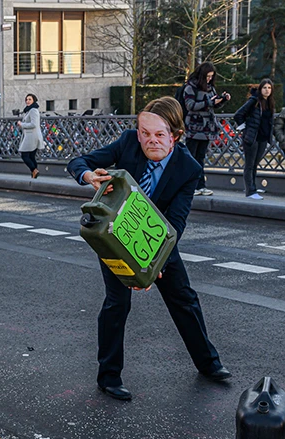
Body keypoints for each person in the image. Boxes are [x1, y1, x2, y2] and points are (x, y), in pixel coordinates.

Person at [66, 97, 231, 401]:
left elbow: (176, 223)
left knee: (184, 299)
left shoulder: (188, 169)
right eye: (145, 133)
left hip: (159, 242)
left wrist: (150, 266)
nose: (150, 141)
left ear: (175, 135)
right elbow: (78, 162)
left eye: (158, 135)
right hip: (115, 238)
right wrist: (89, 176)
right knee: (117, 304)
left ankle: (209, 364)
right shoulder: (128, 142)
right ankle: (109, 377)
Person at [183, 61, 230, 196]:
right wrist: (209, 102)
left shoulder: (210, 88)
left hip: (206, 128)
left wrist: (222, 100)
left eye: (211, 76)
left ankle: (200, 185)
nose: (209, 79)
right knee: (192, 157)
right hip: (194, 127)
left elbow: (212, 106)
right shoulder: (190, 87)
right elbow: (190, 105)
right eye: (207, 76)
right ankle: (192, 185)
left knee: (200, 157)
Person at [233, 78, 275, 200]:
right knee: (250, 164)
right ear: (260, 89)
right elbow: (238, 114)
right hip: (252, 138)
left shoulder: (269, 103)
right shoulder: (254, 100)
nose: (267, 90)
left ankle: (252, 186)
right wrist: (244, 128)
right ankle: (250, 191)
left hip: (262, 137)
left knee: (255, 164)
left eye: (269, 88)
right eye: (264, 88)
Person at [18, 93, 45, 178]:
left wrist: (22, 124)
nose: (28, 101)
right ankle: (34, 174)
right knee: (31, 156)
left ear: (34, 100)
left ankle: (34, 169)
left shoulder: (33, 110)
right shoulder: (29, 110)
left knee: (24, 155)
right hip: (30, 136)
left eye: (30, 99)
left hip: (32, 137)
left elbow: (34, 124)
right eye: (26, 99)